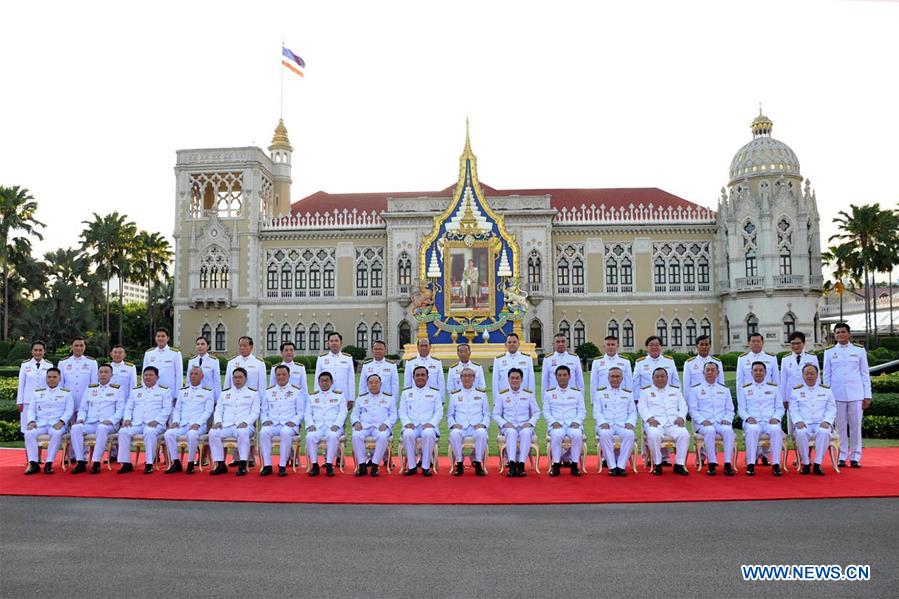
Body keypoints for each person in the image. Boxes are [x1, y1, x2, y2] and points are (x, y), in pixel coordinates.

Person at [823, 322, 871, 468]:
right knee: (840, 427)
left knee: (856, 426)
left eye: (843, 332)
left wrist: (867, 395)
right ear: (834, 335)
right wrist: (828, 396)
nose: (840, 335)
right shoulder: (829, 352)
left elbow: (864, 373)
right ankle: (842, 455)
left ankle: (856, 456)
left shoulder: (859, 350)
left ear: (849, 334)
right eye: (837, 332)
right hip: (837, 394)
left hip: (856, 393)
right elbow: (827, 375)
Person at [69, 364, 125, 474]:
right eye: (101, 372)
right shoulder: (90, 388)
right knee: (75, 428)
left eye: (106, 372)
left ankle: (96, 462)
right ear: (98, 374)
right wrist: (80, 418)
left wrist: (112, 420)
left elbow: (120, 410)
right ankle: (80, 461)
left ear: (111, 374)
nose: (103, 374)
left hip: (108, 424)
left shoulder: (117, 389)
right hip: (91, 422)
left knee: (102, 428)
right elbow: (83, 408)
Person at [117, 366, 173, 475]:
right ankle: (126, 463)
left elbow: (167, 409)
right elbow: (129, 407)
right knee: (123, 431)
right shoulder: (136, 391)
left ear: (157, 377)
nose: (148, 377)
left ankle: (149, 463)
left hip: (155, 424)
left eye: (151, 375)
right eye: (146, 375)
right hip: (137, 423)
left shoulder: (164, 391)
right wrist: (127, 419)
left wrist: (157, 420)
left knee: (149, 432)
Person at [632, 336, 678, 465]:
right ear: (647, 347)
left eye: (657, 345)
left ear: (661, 347)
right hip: (648, 402)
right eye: (651, 345)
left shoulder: (669, 361)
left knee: (667, 426)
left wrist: (676, 397)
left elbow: (675, 381)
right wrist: (636, 400)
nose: (654, 347)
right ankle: (647, 457)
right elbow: (635, 383)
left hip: (667, 401)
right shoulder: (640, 362)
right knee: (648, 430)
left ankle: (665, 458)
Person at [736, 332, 779, 465]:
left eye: (758, 341)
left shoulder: (771, 358)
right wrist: (741, 403)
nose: (755, 343)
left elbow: (776, 380)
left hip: (768, 398)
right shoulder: (742, 359)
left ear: (762, 342)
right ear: (749, 343)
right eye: (753, 341)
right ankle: (752, 458)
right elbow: (739, 381)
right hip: (749, 399)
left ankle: (765, 455)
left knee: (770, 425)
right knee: (753, 428)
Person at [209, 367, 261, 476]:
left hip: (245, 426)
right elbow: (218, 410)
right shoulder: (225, 394)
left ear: (245, 379)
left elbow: (255, 412)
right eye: (235, 377)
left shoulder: (253, 393)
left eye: (240, 377)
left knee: (243, 432)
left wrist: (246, 422)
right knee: (213, 433)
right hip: (227, 425)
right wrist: (218, 421)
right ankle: (220, 464)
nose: (237, 380)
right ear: (232, 379)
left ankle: (242, 464)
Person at [639, 368, 690, 476]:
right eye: (657, 376)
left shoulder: (675, 391)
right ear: (652, 378)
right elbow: (642, 407)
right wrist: (649, 418)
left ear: (667, 378)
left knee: (684, 434)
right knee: (653, 434)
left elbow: (683, 406)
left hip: (673, 422)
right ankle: (657, 464)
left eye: (662, 376)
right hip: (655, 422)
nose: (660, 379)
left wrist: (681, 417)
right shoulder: (645, 391)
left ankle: (679, 465)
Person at [163, 366, 214, 475]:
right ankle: (176, 462)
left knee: (192, 435)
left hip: (198, 425)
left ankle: (190, 463)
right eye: (191, 374)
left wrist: (198, 423)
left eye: (196, 374)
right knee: (168, 434)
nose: (193, 376)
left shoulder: (207, 392)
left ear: (202, 376)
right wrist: (176, 421)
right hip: (183, 424)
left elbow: (208, 411)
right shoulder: (183, 391)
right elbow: (178, 409)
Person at [687, 362, 735, 476]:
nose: (710, 372)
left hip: (720, 421)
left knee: (728, 431)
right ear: (703, 373)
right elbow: (693, 410)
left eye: (713, 370)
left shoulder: (724, 389)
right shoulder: (695, 389)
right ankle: (712, 463)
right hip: (704, 423)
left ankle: (728, 463)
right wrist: (703, 420)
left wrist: (727, 419)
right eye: (707, 370)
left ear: (718, 373)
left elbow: (730, 409)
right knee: (710, 430)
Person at [737, 361, 784, 477]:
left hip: (769, 420)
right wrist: (748, 418)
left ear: (765, 372)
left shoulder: (774, 388)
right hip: (753, 421)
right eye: (755, 370)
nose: (758, 373)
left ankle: (776, 464)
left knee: (776, 430)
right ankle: (751, 464)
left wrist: (776, 417)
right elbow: (741, 409)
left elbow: (780, 408)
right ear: (751, 373)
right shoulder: (744, 389)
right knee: (752, 430)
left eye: (761, 370)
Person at [23, 367, 73, 475]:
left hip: (56, 424)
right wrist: (31, 421)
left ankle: (49, 463)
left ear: (59, 378)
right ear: (46, 378)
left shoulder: (66, 393)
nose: (51, 379)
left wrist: (61, 422)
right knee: (28, 433)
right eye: (49, 377)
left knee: (56, 434)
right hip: (40, 424)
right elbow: (31, 409)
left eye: (54, 377)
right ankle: (33, 463)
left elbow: (69, 410)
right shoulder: (38, 393)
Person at [259, 365, 306, 477]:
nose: (281, 377)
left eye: (284, 374)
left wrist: (294, 422)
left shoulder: (296, 391)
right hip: (273, 423)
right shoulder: (269, 391)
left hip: (289, 424)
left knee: (285, 432)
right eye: (278, 374)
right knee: (264, 432)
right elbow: (263, 411)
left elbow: (301, 412)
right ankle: (267, 466)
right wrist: (265, 420)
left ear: (289, 376)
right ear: (275, 376)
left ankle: (282, 465)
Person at [790, 363, 837, 475]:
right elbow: (793, 409)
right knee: (801, 433)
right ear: (803, 375)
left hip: (821, 423)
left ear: (817, 375)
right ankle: (806, 463)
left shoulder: (826, 390)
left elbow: (831, 408)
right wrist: (798, 421)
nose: (810, 376)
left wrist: (827, 421)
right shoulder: (796, 391)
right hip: (804, 423)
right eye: (807, 374)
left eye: (812, 374)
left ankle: (817, 463)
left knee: (824, 432)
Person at [493, 368, 539, 477]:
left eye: (517, 378)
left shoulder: (528, 394)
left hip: (524, 425)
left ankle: (522, 465)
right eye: (512, 378)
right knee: (511, 432)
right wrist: (504, 423)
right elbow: (496, 414)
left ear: (521, 379)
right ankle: (512, 464)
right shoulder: (502, 395)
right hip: (509, 426)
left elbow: (537, 412)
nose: (515, 380)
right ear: (508, 379)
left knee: (526, 432)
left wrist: (530, 422)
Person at [399, 366, 443, 476]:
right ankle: (412, 467)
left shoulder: (435, 393)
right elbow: (402, 411)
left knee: (428, 433)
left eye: (423, 375)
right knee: (407, 434)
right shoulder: (406, 393)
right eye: (417, 375)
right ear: (413, 377)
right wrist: (407, 423)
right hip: (411, 425)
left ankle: (426, 466)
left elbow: (438, 412)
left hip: (428, 425)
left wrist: (431, 424)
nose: (420, 377)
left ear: (427, 377)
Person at [543, 365, 586, 477]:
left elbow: (582, 411)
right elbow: (546, 412)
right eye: (559, 375)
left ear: (569, 376)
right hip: (556, 424)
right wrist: (553, 422)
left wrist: (577, 421)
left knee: (577, 435)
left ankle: (574, 465)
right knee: (557, 435)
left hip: (573, 424)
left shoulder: (577, 393)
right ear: (556, 377)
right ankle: (556, 465)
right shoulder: (549, 393)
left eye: (564, 375)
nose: (562, 377)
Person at [350, 373, 396, 477]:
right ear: (367, 384)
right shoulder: (361, 398)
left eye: (376, 382)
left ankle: (375, 465)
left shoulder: (389, 398)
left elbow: (393, 415)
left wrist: (386, 424)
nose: (373, 385)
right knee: (356, 435)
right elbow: (354, 414)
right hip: (364, 426)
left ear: (380, 384)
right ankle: (362, 465)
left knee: (383, 436)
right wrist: (356, 422)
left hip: (381, 426)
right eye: (371, 383)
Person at [593, 367, 637, 477]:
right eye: (612, 376)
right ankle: (612, 466)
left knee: (630, 434)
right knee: (604, 434)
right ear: (608, 378)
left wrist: (630, 422)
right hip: (606, 424)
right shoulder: (600, 393)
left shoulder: (627, 394)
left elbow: (632, 411)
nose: (615, 379)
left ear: (622, 378)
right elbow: (597, 411)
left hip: (622, 424)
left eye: (618, 376)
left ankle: (621, 466)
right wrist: (602, 422)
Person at [447, 368, 490, 476]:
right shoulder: (454, 394)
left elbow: (487, 414)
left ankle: (478, 463)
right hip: (461, 427)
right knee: (454, 433)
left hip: (476, 426)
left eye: (470, 375)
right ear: (460, 378)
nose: (467, 378)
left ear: (474, 378)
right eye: (464, 375)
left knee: (482, 433)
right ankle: (460, 464)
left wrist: (483, 424)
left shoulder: (481, 394)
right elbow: (450, 415)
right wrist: (453, 424)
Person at [304, 371, 347, 477]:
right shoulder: (312, 396)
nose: (324, 383)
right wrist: (310, 425)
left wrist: (337, 425)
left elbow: (343, 412)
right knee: (310, 436)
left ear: (331, 382)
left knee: (332, 436)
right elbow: (308, 413)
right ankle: (314, 465)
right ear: (318, 382)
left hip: (333, 426)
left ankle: (329, 465)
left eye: (327, 380)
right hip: (317, 426)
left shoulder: (339, 396)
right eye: (322, 381)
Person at [17, 340, 53, 434]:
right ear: (32, 351)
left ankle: (38, 449)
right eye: (35, 350)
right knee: (27, 429)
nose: (38, 352)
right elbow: (21, 384)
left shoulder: (49, 365)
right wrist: (20, 402)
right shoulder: (25, 365)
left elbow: (51, 384)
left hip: (43, 401)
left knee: (40, 429)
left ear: (44, 352)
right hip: (27, 401)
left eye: (40, 350)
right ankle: (28, 449)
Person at [314, 332, 356, 408]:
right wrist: (317, 396)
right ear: (328, 343)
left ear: (341, 343)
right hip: (326, 396)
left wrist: (351, 398)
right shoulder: (321, 359)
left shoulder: (348, 359)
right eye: (331, 341)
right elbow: (317, 379)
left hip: (343, 396)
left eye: (336, 341)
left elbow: (351, 380)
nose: (334, 343)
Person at [779, 331, 818, 410]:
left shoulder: (812, 357)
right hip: (791, 395)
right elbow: (783, 381)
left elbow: (817, 378)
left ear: (804, 343)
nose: (796, 346)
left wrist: (816, 395)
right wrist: (783, 399)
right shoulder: (785, 359)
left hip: (808, 395)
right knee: (792, 420)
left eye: (798, 343)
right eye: (793, 343)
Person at [59, 337, 99, 413]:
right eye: (76, 345)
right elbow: (60, 384)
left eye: (81, 345)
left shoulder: (92, 362)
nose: (79, 348)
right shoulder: (63, 362)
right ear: (71, 347)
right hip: (68, 399)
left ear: (85, 347)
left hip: (85, 399)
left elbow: (94, 384)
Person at [142, 328, 183, 401]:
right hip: (152, 391)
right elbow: (144, 374)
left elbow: (179, 376)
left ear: (168, 338)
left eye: (163, 336)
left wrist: (177, 395)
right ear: (155, 338)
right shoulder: (149, 353)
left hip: (170, 391)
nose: (160, 338)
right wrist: (144, 391)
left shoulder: (175, 353)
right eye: (158, 336)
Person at [224, 336, 267, 404]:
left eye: (245, 346)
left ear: (251, 347)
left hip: (251, 400)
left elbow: (262, 386)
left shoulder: (259, 362)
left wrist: (261, 402)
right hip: (235, 400)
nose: (242, 348)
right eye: (240, 346)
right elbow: (227, 384)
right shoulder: (232, 362)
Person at [590, 336, 634, 401]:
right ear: (604, 346)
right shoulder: (597, 362)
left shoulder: (625, 361)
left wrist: (630, 398)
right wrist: (593, 400)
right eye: (608, 344)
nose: (610, 347)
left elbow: (629, 382)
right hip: (603, 397)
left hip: (621, 397)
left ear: (617, 346)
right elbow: (593, 382)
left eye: (613, 345)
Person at [492, 333, 535, 399]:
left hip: (523, 398)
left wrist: (531, 399)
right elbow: (495, 383)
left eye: (514, 342)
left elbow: (531, 382)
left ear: (519, 344)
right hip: (505, 399)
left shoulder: (527, 358)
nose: (512, 344)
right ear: (506, 345)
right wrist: (496, 401)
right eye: (509, 342)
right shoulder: (498, 360)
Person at [403, 337, 445, 404]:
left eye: (426, 345)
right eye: (421, 346)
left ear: (430, 347)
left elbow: (441, 383)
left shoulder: (437, 362)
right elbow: (407, 383)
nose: (424, 348)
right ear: (417, 347)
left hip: (432, 398)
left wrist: (442, 400)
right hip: (415, 399)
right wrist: (407, 398)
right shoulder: (410, 362)